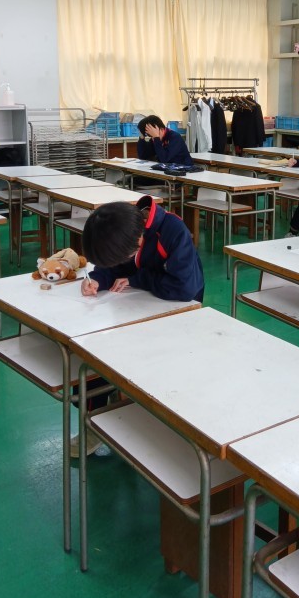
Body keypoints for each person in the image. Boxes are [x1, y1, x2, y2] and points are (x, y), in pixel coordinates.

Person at [72, 194, 204, 456]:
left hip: (177, 313)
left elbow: (185, 288)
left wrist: (137, 279)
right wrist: (97, 279)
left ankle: (139, 421)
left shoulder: (173, 231)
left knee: (150, 370)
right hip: (133, 305)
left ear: (139, 241)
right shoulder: (123, 227)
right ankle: (96, 419)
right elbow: (115, 266)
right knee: (96, 355)